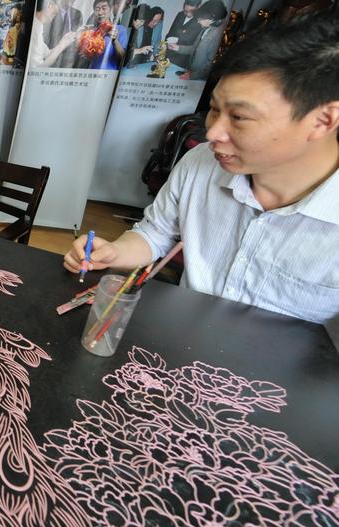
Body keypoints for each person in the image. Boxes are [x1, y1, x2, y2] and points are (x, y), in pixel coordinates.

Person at [64, 13, 339, 324]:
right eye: (214, 110)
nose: (212, 134)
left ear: (324, 121)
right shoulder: (202, 162)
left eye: (239, 117)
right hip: (179, 344)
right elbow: (156, 234)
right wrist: (115, 252)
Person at [176, 0, 228, 80]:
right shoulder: (206, 29)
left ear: (212, 17)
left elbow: (211, 65)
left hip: (199, 79)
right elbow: (194, 49)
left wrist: (193, 75)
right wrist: (177, 48)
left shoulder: (217, 35)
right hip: (190, 73)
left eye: (200, 18)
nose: (198, 21)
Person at [28, 0, 79, 69]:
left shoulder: (38, 26)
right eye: (58, 4)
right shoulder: (34, 28)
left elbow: (47, 54)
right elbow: (38, 68)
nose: (59, 9)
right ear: (49, 4)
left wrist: (64, 42)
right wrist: (61, 45)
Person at [85, 0, 129, 70]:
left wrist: (114, 40)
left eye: (104, 8)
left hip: (109, 76)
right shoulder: (92, 32)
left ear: (110, 9)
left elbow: (124, 59)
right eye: (97, 9)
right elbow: (86, 58)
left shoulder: (120, 29)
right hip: (92, 75)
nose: (100, 12)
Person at [46, 0, 84, 67]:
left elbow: (77, 37)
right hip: (52, 57)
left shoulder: (78, 14)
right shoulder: (51, 10)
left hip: (71, 60)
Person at [165, 0, 203, 68]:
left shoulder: (201, 21)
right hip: (168, 55)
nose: (188, 14)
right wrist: (165, 44)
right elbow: (170, 33)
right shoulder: (180, 15)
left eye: (191, 11)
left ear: (199, 7)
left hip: (182, 61)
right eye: (185, 10)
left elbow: (193, 45)